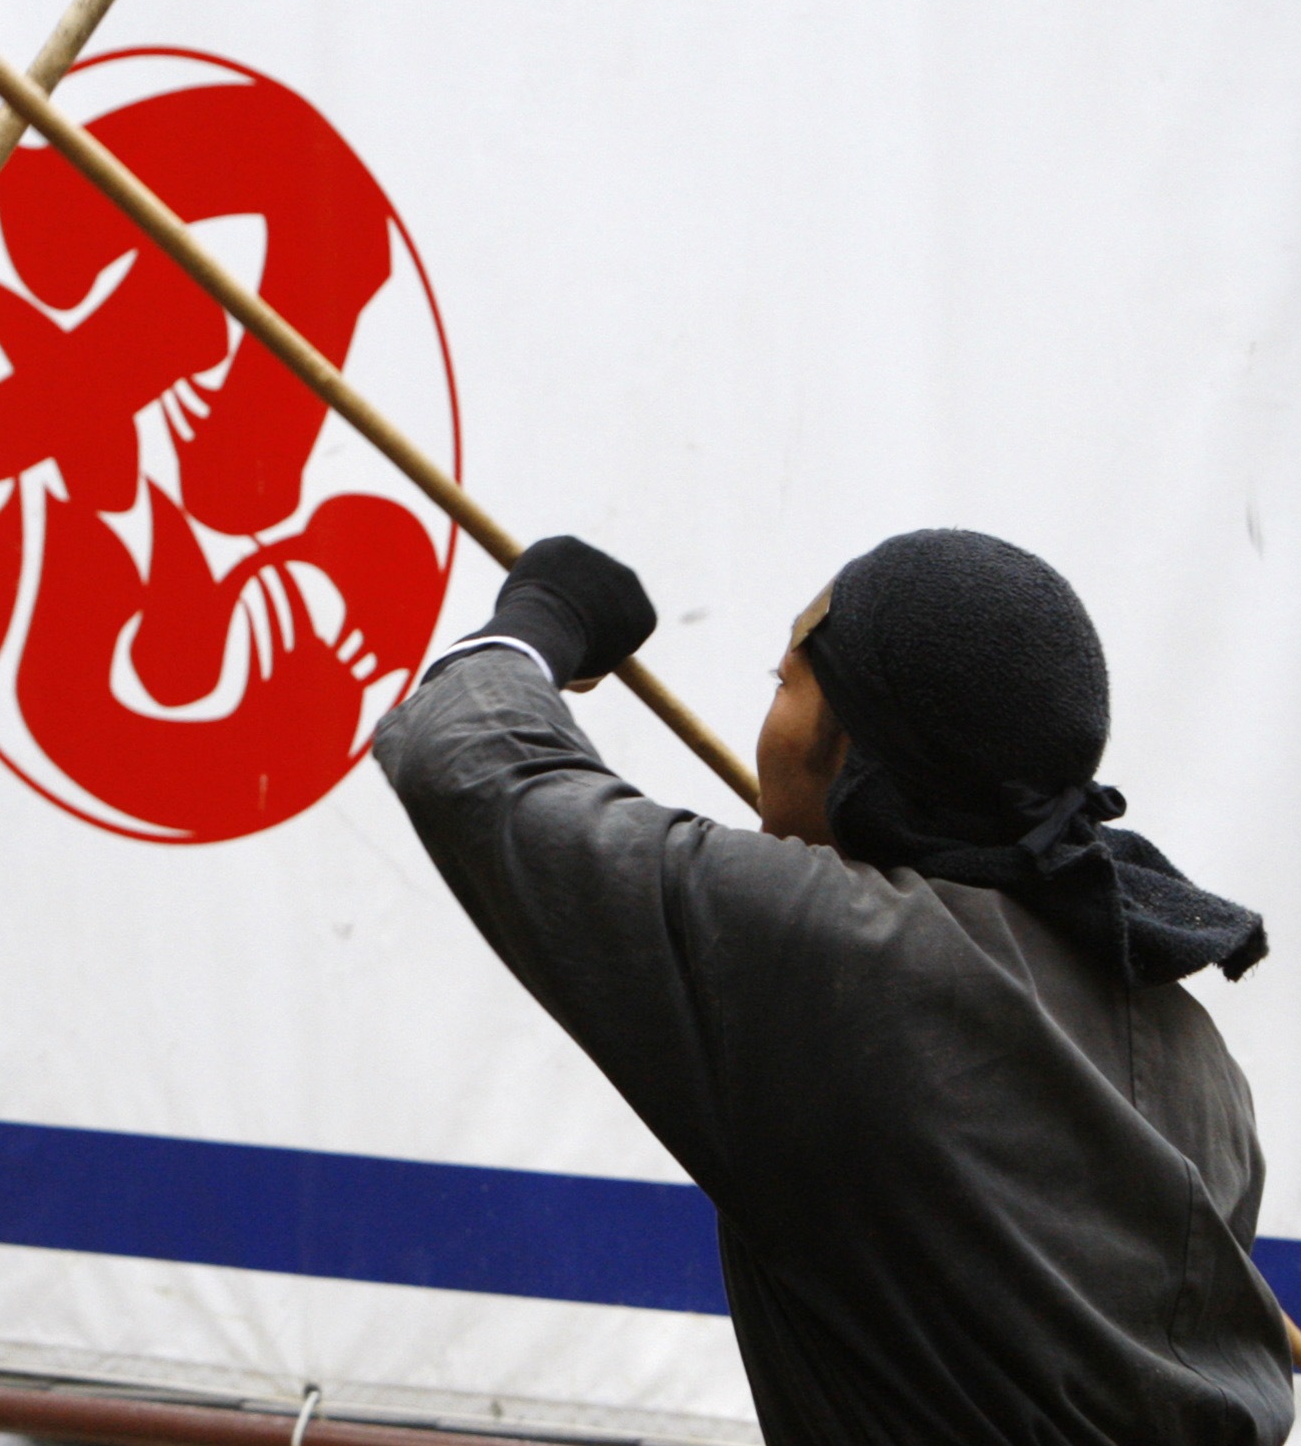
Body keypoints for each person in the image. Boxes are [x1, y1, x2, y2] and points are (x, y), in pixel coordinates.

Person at [373, 529, 1294, 1444]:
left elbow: (468, 759)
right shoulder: (1196, 1056)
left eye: (784, 685)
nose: (768, 715)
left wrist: (546, 617)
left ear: (846, 745)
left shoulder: (838, 955)